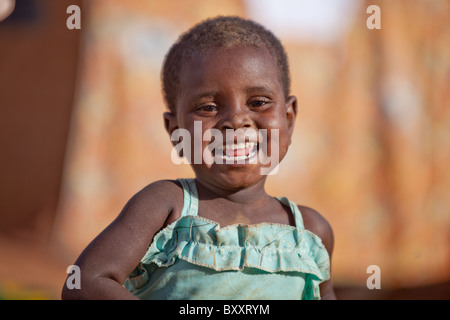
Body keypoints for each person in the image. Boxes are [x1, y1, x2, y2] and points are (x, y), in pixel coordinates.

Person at [61, 16, 336, 300]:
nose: (236, 120)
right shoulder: (167, 207)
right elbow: (84, 283)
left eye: (258, 102)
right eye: (208, 107)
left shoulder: (310, 232)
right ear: (176, 131)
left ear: (288, 118)